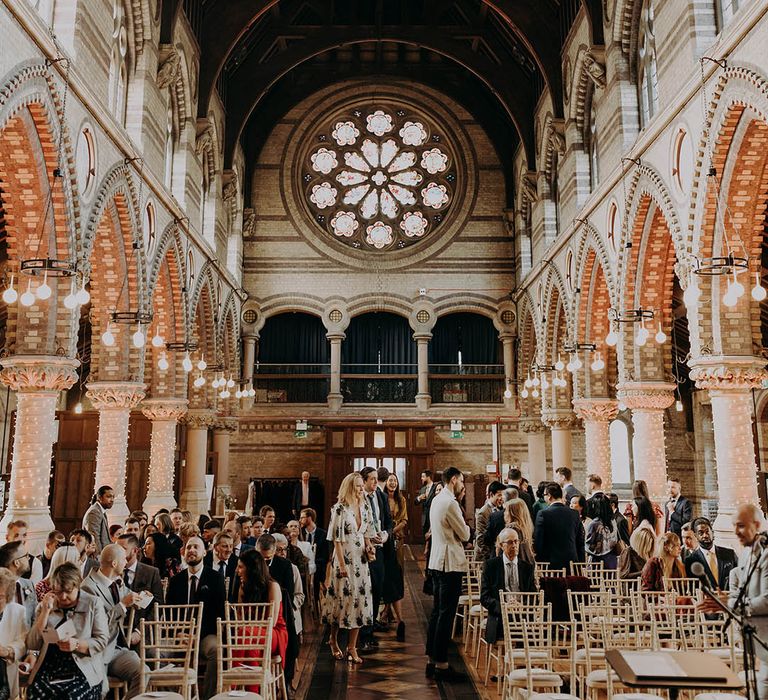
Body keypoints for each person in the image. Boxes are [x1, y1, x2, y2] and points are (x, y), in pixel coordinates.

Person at [25, 562, 108, 699]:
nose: (63, 597)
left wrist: (77, 644)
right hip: (50, 667)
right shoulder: (46, 605)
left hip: (82, 667)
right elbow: (32, 643)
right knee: (37, 694)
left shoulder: (93, 603)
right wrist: (45, 612)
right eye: (58, 592)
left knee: (72, 696)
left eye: (68, 591)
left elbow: (101, 641)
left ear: (77, 586)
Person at [322, 472, 375, 664]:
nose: (362, 489)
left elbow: (367, 532)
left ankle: (352, 646)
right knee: (341, 601)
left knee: (360, 601)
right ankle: (333, 640)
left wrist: (369, 546)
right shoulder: (340, 509)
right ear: (349, 487)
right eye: (359, 486)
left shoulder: (365, 505)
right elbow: (336, 539)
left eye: (362, 486)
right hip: (344, 559)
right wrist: (342, 566)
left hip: (361, 560)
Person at [425, 467, 471, 682]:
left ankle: (431, 660)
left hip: (436, 561)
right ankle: (442, 664)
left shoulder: (436, 499)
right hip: (449, 563)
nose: (463, 485)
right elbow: (465, 534)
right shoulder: (451, 502)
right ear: (454, 480)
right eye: (461, 481)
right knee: (446, 614)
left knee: (437, 612)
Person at [166, 537, 225, 700]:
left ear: (205, 552)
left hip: (205, 634)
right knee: (154, 651)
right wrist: (177, 633)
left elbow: (218, 613)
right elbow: (168, 613)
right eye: (188, 547)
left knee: (216, 649)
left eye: (196, 547)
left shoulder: (215, 578)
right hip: (180, 635)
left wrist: (196, 635)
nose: (191, 550)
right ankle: (172, 695)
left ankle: (208, 697)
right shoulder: (176, 580)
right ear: (183, 552)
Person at [81, 544, 143, 698]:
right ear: (114, 563)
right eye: (123, 559)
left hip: (116, 648)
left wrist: (140, 596)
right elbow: (97, 625)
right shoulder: (88, 587)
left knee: (144, 674)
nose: (126, 562)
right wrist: (122, 605)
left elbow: (128, 597)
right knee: (100, 689)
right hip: (97, 652)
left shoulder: (116, 581)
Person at [726, 504, 768, 698]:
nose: (736, 531)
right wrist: (730, 602)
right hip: (758, 640)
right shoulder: (744, 555)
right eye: (735, 525)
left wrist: (739, 605)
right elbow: (737, 593)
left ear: (757, 525)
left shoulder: (766, 554)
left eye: (741, 526)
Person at [233, 548, 288, 690]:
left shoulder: (272, 586)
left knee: (247, 634)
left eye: (240, 567)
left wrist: (248, 627)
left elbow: (273, 621)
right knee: (249, 643)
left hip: (274, 633)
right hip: (249, 635)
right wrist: (246, 627)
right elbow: (240, 617)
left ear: (251, 569)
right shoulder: (243, 587)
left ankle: (231, 683)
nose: (237, 571)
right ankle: (255, 693)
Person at [480, 527, 536, 645]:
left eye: (516, 541)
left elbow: (533, 595)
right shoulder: (491, 566)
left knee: (532, 633)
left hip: (523, 616)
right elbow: (484, 597)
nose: (514, 545)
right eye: (510, 542)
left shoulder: (527, 567)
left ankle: (523, 661)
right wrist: (503, 606)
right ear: (501, 545)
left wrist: (523, 605)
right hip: (500, 616)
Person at [256, 535, 298, 688]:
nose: (264, 562)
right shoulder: (250, 563)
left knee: (292, 642)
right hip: (256, 612)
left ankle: (286, 681)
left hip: (281, 611)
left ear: (274, 552)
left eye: (267, 559)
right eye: (261, 558)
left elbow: (289, 595)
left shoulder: (285, 565)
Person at [359, 466, 392, 652]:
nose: (374, 482)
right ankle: (364, 635)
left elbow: (388, 522)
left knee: (378, 587)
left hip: (378, 549)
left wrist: (385, 535)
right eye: (371, 479)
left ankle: (371, 626)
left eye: (375, 479)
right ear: (363, 481)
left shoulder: (381, 496)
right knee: (365, 590)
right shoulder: (358, 497)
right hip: (362, 551)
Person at [116, 533, 163, 633]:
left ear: (135, 551)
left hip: (142, 630)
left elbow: (158, 606)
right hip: (116, 630)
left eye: (123, 549)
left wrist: (139, 631)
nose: (118, 553)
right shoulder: (112, 573)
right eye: (116, 549)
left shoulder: (151, 572)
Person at [533, 482, 584, 571]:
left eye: (544, 495)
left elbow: (538, 541)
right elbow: (579, 541)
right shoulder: (574, 514)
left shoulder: (543, 514)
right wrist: (581, 564)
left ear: (549, 496)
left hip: (550, 563)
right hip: (571, 563)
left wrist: (539, 561)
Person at [383, 473, 407, 640]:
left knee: (396, 572)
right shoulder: (382, 497)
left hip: (397, 539)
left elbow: (404, 520)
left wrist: (393, 532)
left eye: (395, 480)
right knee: (387, 575)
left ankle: (386, 613)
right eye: (390, 480)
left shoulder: (401, 499)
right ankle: (386, 612)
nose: (392, 482)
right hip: (384, 540)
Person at [684, 516, 737, 591]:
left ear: (712, 532)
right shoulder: (691, 560)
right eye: (701, 533)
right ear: (696, 536)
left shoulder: (729, 554)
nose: (705, 535)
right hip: (707, 600)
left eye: (707, 531)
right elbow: (692, 588)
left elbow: (740, 577)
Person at [0, 566, 28, 698]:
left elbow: (23, 642)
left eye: (0, 596)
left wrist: (7, 651)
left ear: (9, 596)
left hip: (6, 669)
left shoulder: (18, 611)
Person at [273, 533, 305, 641]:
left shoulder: (293, 568)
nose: (283, 553)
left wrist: (288, 605)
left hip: (290, 613)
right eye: (279, 550)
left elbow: (300, 595)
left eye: (285, 550)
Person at [0, 541, 36, 625]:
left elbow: (34, 617)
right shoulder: (1, 588)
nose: (29, 558)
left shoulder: (28, 584)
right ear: (16, 563)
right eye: (26, 555)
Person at [585, 493, 619, 569]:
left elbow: (589, 545)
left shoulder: (594, 524)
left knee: (597, 580)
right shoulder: (613, 521)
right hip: (612, 560)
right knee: (611, 580)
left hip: (597, 562)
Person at [299, 508, 327, 601]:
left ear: (309, 518)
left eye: (302, 517)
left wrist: (314, 566)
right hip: (303, 568)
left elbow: (324, 556)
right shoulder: (300, 533)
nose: (300, 520)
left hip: (317, 569)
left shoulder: (322, 534)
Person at [474, 481, 505, 563]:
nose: (502, 498)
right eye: (499, 495)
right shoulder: (483, 512)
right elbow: (481, 539)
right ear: (491, 495)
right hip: (485, 557)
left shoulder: (501, 509)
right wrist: (490, 557)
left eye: (503, 495)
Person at [204, 532, 238, 601]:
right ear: (215, 547)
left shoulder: (236, 561)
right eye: (225, 546)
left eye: (231, 546)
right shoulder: (204, 561)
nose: (229, 550)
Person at [498, 499, 535, 563]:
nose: (504, 513)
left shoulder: (511, 529)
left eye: (506, 510)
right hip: (526, 563)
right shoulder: (524, 528)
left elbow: (502, 550)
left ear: (512, 513)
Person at [82, 485, 114, 553]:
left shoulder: (101, 511)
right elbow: (95, 538)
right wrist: (99, 557)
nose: (112, 500)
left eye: (113, 497)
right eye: (108, 496)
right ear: (100, 498)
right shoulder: (95, 512)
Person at [414, 470, 438, 536]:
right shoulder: (423, 489)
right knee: (425, 538)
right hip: (424, 519)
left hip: (434, 517)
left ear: (428, 477)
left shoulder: (436, 487)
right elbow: (415, 502)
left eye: (423, 476)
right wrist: (419, 498)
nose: (421, 478)